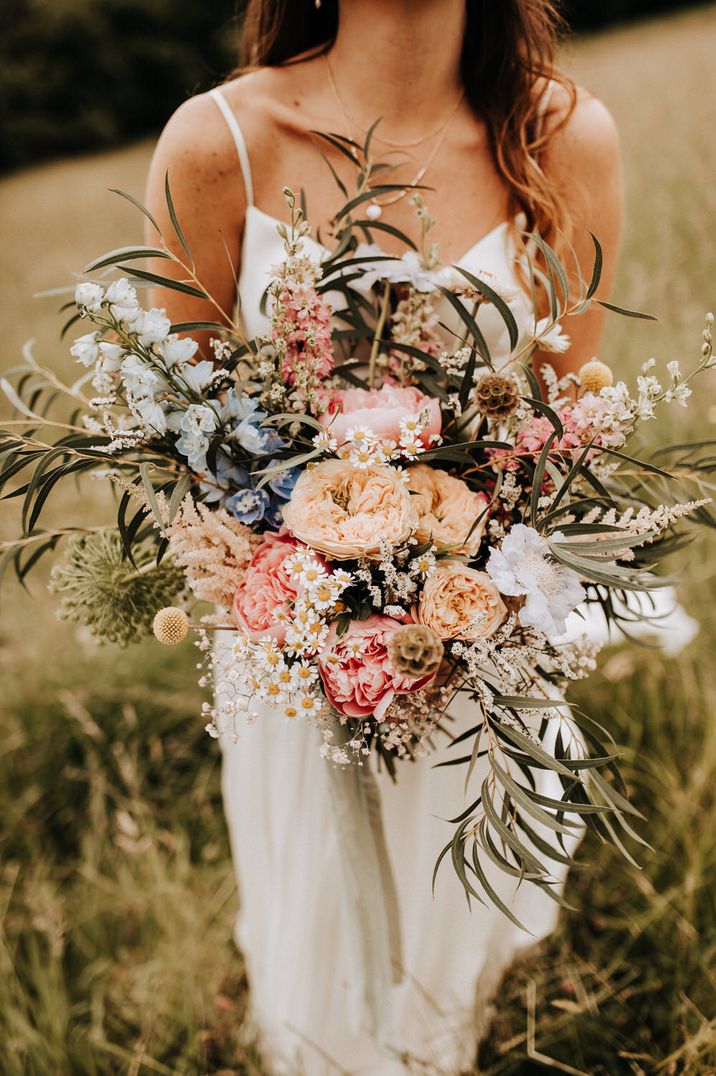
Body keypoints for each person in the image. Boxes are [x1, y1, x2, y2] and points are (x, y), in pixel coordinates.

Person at [143, 1, 623, 1071]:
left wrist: (443, 586)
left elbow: (562, 427)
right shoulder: (219, 143)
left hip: (477, 634)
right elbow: (189, 436)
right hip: (294, 650)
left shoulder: (562, 136)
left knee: (462, 926)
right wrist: (314, 584)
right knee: (323, 949)